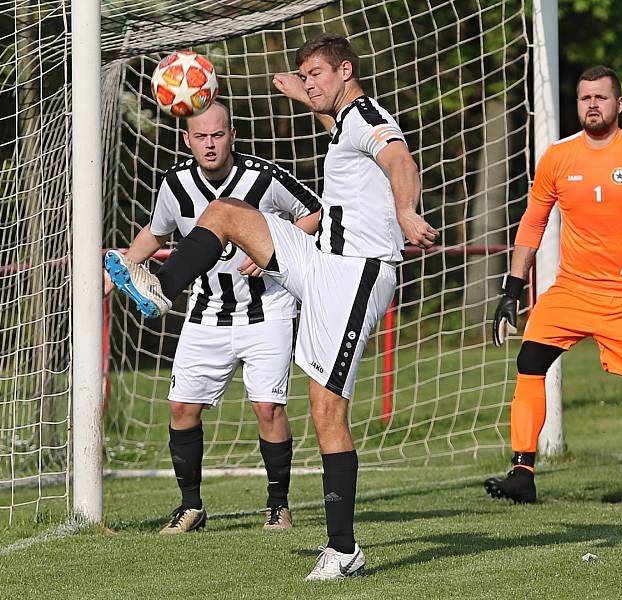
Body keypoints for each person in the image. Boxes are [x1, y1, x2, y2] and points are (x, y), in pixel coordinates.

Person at [105, 33, 437, 579]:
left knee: (326, 410)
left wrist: (404, 209)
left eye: (316, 75)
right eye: (303, 75)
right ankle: (162, 286)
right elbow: (337, 127)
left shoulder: (368, 117)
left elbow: (398, 158)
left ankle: (343, 549)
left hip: (357, 275)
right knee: (227, 211)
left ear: (346, 71)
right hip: (320, 259)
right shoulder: (340, 121)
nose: (308, 83)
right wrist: (303, 95)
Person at [105, 101, 322, 534]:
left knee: (268, 409)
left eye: (217, 135)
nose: (210, 144)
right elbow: (157, 230)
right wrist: (125, 266)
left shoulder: (264, 177)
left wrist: (277, 251)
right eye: (200, 136)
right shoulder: (176, 183)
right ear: (187, 139)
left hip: (268, 310)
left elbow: (315, 212)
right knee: (182, 408)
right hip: (206, 311)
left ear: (232, 135)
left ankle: (278, 506)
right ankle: (191, 507)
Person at [485, 66, 622, 506]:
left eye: (600, 97)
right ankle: (522, 472)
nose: (592, 105)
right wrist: (513, 286)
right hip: (573, 288)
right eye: (584, 98)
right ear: (577, 104)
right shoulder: (558, 157)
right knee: (530, 360)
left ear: (619, 104)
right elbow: (532, 223)